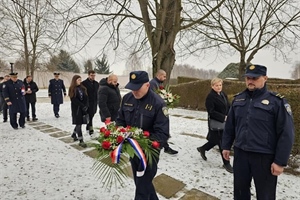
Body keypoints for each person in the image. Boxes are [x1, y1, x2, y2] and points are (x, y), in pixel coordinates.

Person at [222, 64, 294, 200]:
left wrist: (280, 161)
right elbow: (230, 126)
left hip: (264, 157)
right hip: (241, 154)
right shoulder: (239, 99)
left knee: (265, 195)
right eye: (248, 78)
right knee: (240, 191)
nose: (250, 81)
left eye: (254, 78)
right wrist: (226, 145)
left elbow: (286, 133)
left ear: (265, 78)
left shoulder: (276, 102)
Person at [116, 71, 169, 200]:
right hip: (133, 151)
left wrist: (145, 143)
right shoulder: (127, 98)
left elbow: (162, 133)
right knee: (141, 183)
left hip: (150, 153)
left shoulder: (158, 103)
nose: (134, 92)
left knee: (142, 189)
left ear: (147, 85)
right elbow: (120, 120)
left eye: (137, 88)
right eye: (132, 88)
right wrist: (118, 132)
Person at [196, 78, 233, 173]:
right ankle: (226, 163)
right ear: (212, 86)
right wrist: (222, 117)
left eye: (220, 85)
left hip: (224, 122)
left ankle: (202, 148)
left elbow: (228, 106)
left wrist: (230, 115)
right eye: (216, 85)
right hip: (216, 123)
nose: (219, 87)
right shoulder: (210, 97)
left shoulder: (223, 94)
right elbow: (211, 112)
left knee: (215, 140)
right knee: (221, 143)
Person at [149, 69, 178, 155]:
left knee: (163, 127)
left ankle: (165, 146)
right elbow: (153, 96)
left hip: (160, 108)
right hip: (155, 109)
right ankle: (163, 146)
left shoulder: (158, 83)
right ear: (159, 75)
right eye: (164, 76)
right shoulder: (153, 83)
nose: (165, 78)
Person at [68, 75, 89, 148]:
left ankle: (74, 134)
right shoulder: (72, 89)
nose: (80, 81)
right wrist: (82, 105)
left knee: (79, 122)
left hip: (83, 109)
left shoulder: (82, 88)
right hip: (76, 109)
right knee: (78, 124)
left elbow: (86, 97)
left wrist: (86, 105)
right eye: (78, 80)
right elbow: (74, 99)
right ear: (75, 81)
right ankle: (81, 140)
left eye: (80, 80)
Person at [82, 70, 99, 137]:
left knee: (92, 115)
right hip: (88, 103)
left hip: (94, 103)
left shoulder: (96, 83)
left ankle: (88, 127)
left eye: (94, 75)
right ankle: (90, 129)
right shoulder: (84, 83)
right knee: (90, 116)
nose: (93, 77)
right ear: (88, 75)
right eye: (91, 75)